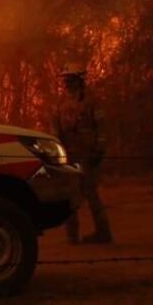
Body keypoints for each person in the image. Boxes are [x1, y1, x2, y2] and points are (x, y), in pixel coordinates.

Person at [53, 64, 113, 244]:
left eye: (70, 80)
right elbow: (56, 128)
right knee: (69, 195)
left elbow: (101, 127)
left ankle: (103, 233)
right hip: (68, 154)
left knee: (90, 193)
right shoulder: (60, 103)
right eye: (65, 80)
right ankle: (72, 236)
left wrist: (99, 149)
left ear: (79, 80)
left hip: (88, 153)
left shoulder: (91, 101)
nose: (66, 84)